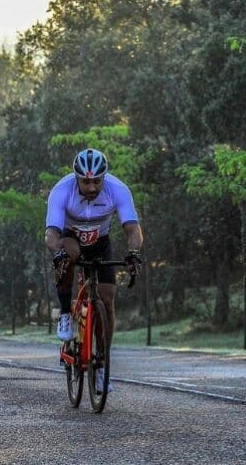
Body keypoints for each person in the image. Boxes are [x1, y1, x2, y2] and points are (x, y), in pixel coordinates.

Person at [45, 148, 143, 392]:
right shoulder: (61, 190)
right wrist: (57, 252)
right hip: (71, 239)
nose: (91, 187)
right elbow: (52, 233)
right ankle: (66, 313)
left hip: (101, 243)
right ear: (76, 177)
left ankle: (101, 364)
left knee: (107, 299)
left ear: (104, 177)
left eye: (96, 181)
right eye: (85, 181)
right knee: (69, 254)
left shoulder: (118, 189)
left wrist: (133, 253)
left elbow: (133, 229)